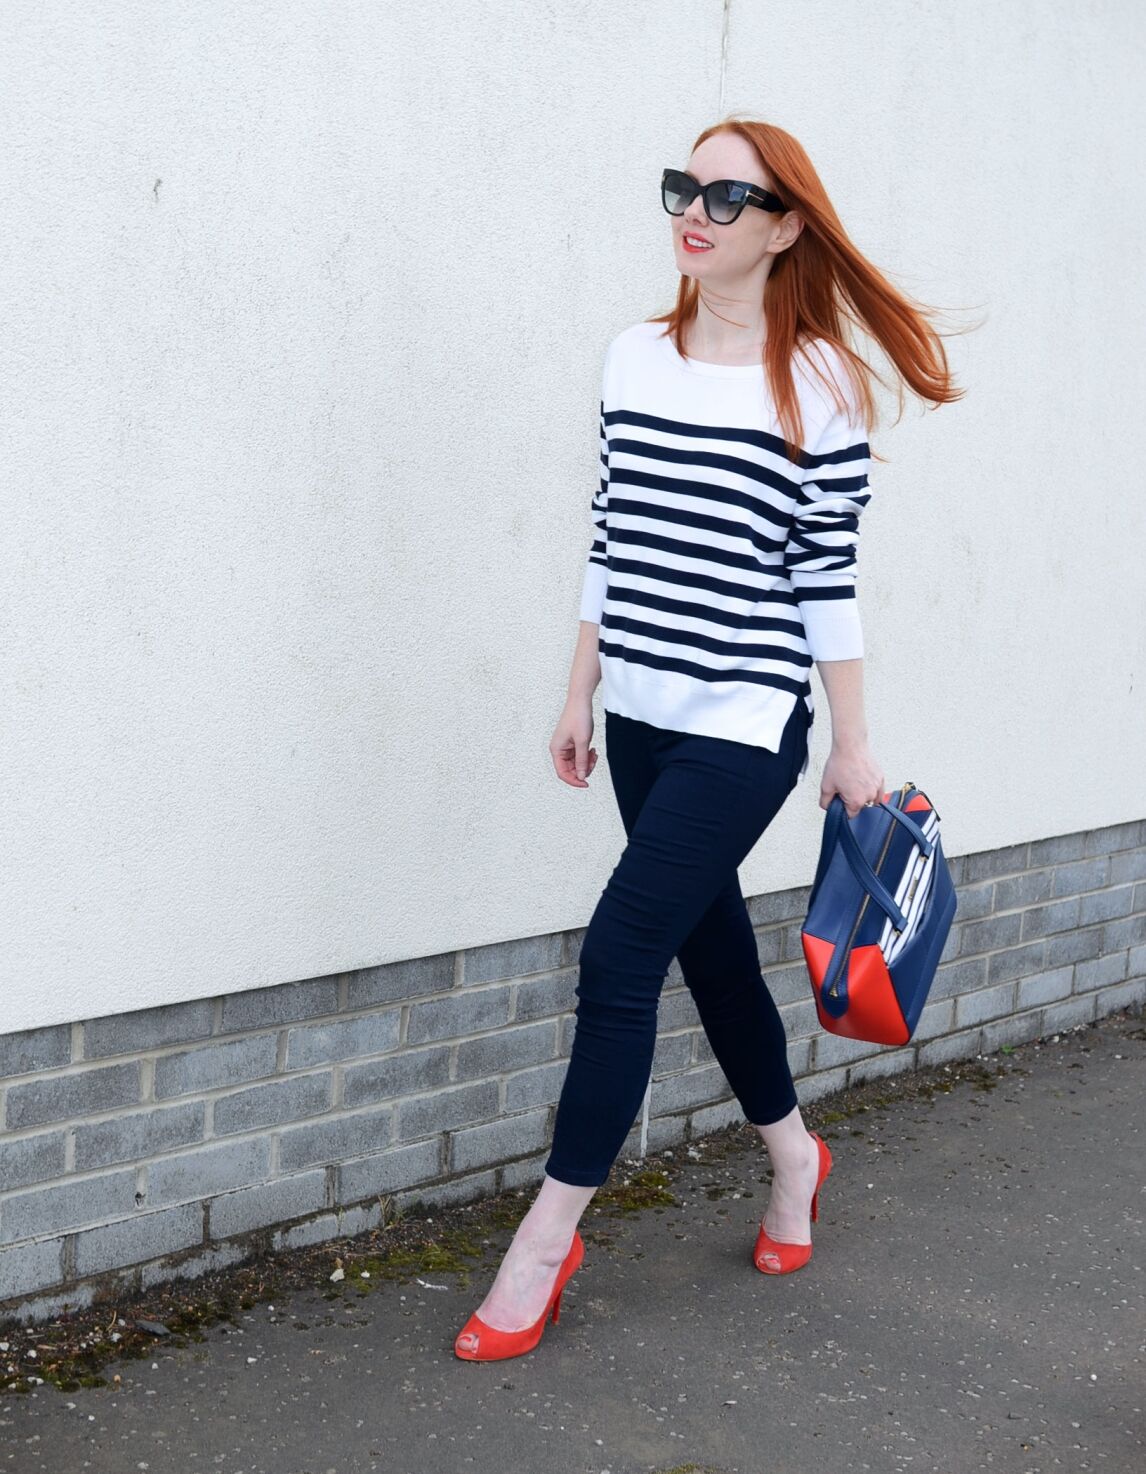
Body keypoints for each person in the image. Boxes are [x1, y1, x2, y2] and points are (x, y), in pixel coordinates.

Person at [455, 116, 963, 1361]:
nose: (696, 211)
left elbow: (824, 577)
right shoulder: (635, 355)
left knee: (622, 954)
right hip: (638, 716)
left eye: (729, 196)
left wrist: (852, 743)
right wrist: (578, 691)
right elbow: (610, 534)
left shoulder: (823, 384)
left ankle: (545, 1239)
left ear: (786, 225)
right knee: (711, 947)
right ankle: (795, 1155)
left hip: (743, 725)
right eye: (686, 186)